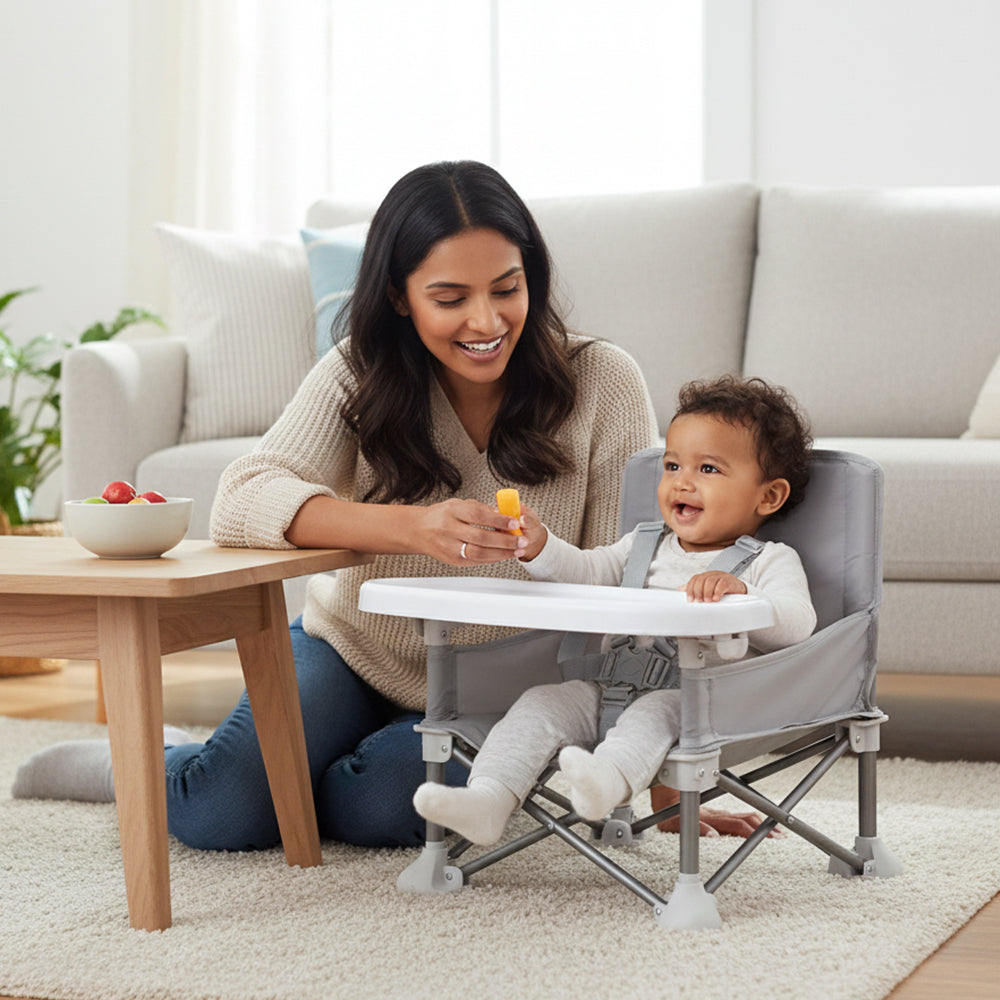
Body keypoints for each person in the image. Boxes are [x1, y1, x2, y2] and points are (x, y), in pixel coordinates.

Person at [11, 160, 660, 849]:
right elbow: (242, 498)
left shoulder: (604, 381)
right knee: (221, 815)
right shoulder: (361, 370)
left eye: (507, 288)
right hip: (352, 653)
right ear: (400, 295)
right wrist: (414, 528)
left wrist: (653, 775)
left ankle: (277, 773)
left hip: (501, 690)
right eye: (450, 298)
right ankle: (160, 764)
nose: (486, 320)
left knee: (378, 809)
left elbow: (639, 575)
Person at [413, 375, 817, 846]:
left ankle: (606, 782)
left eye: (708, 469)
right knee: (539, 702)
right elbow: (584, 571)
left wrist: (743, 594)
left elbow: (798, 623)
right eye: (672, 465)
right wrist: (540, 547)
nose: (682, 481)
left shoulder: (769, 561)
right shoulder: (641, 545)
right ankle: (488, 800)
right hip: (610, 687)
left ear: (768, 496)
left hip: (697, 704)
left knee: (655, 714)